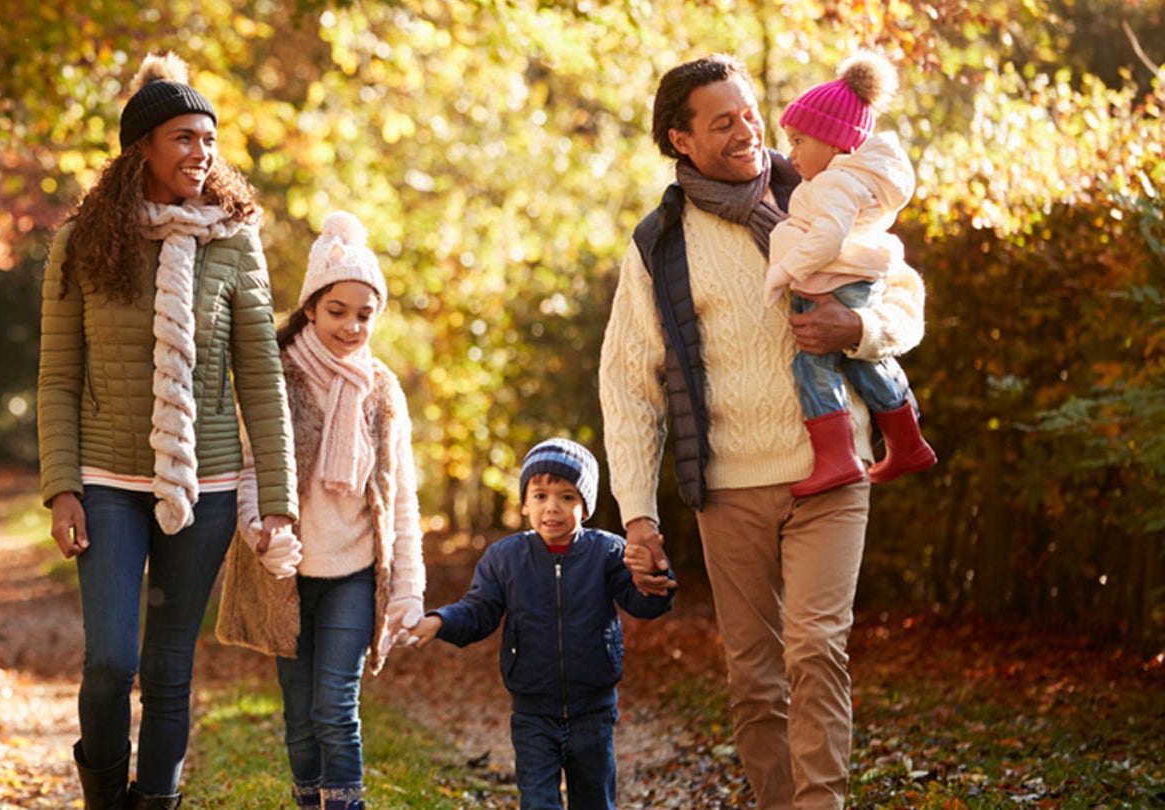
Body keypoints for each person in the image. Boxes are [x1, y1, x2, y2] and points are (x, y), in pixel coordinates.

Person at [599, 54, 927, 809]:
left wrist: (862, 326)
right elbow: (628, 385)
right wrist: (640, 516)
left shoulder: (821, 188)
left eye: (750, 112)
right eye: (723, 123)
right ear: (681, 140)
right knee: (755, 676)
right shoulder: (660, 245)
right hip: (728, 487)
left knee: (816, 646)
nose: (748, 131)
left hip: (832, 470)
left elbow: (904, 294)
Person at [37, 51, 297, 810]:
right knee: (112, 661)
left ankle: (158, 801)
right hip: (107, 483)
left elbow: (261, 378)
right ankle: (105, 798)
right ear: (141, 148)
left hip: (206, 485)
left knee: (171, 665)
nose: (201, 152)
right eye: (182, 137)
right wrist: (61, 490)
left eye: (208, 139)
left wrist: (275, 499)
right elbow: (56, 377)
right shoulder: (82, 241)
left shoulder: (233, 241)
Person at [214, 211, 426, 810]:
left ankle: (345, 805)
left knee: (337, 703)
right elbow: (248, 469)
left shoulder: (382, 390)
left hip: (353, 574)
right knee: (300, 712)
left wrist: (408, 589)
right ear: (310, 307)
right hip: (287, 574)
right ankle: (310, 800)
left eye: (365, 314)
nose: (352, 326)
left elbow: (400, 497)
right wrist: (260, 533)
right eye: (338, 311)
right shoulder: (276, 377)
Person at [410, 439, 675, 810]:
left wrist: (655, 577)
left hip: (593, 711)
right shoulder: (505, 558)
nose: (552, 507)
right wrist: (441, 620)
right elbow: (479, 610)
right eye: (540, 496)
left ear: (586, 506)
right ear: (525, 503)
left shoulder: (608, 553)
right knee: (538, 802)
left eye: (567, 497)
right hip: (532, 713)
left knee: (595, 800)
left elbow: (643, 602)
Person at [762, 51, 937, 496]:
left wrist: (784, 270)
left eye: (800, 140)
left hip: (837, 282)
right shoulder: (843, 179)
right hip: (847, 281)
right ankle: (907, 441)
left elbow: (827, 240)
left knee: (812, 365)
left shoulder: (836, 183)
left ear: (836, 142)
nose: (791, 151)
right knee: (863, 366)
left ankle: (838, 457)